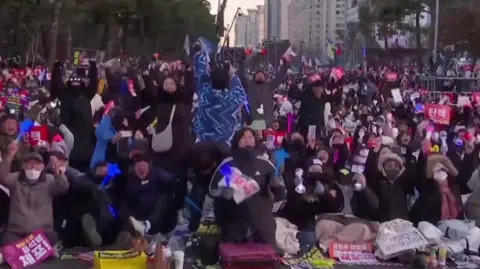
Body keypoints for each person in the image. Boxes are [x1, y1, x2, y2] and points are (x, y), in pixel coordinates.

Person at [210, 128, 286, 250]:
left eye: (250, 138)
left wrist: (276, 190)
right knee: (232, 252)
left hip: (261, 215)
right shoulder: (228, 164)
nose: (247, 141)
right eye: (244, 138)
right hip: (234, 215)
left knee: (268, 251)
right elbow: (213, 190)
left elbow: (280, 190)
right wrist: (225, 193)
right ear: (237, 141)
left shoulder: (264, 163)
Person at [0, 141, 69, 261]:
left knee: (52, 236)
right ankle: (42, 253)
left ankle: (14, 255)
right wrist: (9, 156)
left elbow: (63, 188)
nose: (32, 167)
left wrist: (57, 169)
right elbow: (2, 178)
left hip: (41, 233)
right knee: (6, 239)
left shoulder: (49, 180)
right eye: (29, 164)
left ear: (42, 166)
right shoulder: (16, 179)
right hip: (17, 232)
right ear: (23, 166)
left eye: (36, 164)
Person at [192, 48, 247, 145]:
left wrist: (200, 56)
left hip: (202, 143)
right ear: (227, 81)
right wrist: (232, 74)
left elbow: (200, 76)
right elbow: (239, 89)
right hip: (226, 145)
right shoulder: (233, 98)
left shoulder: (204, 94)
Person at [238, 59, 288, 130]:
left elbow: (279, 78)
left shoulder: (269, 86)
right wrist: (242, 62)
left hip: (266, 122)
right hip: (252, 121)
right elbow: (241, 76)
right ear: (254, 76)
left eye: (262, 74)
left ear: (265, 77)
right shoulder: (249, 85)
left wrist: (285, 65)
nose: (260, 75)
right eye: (258, 74)